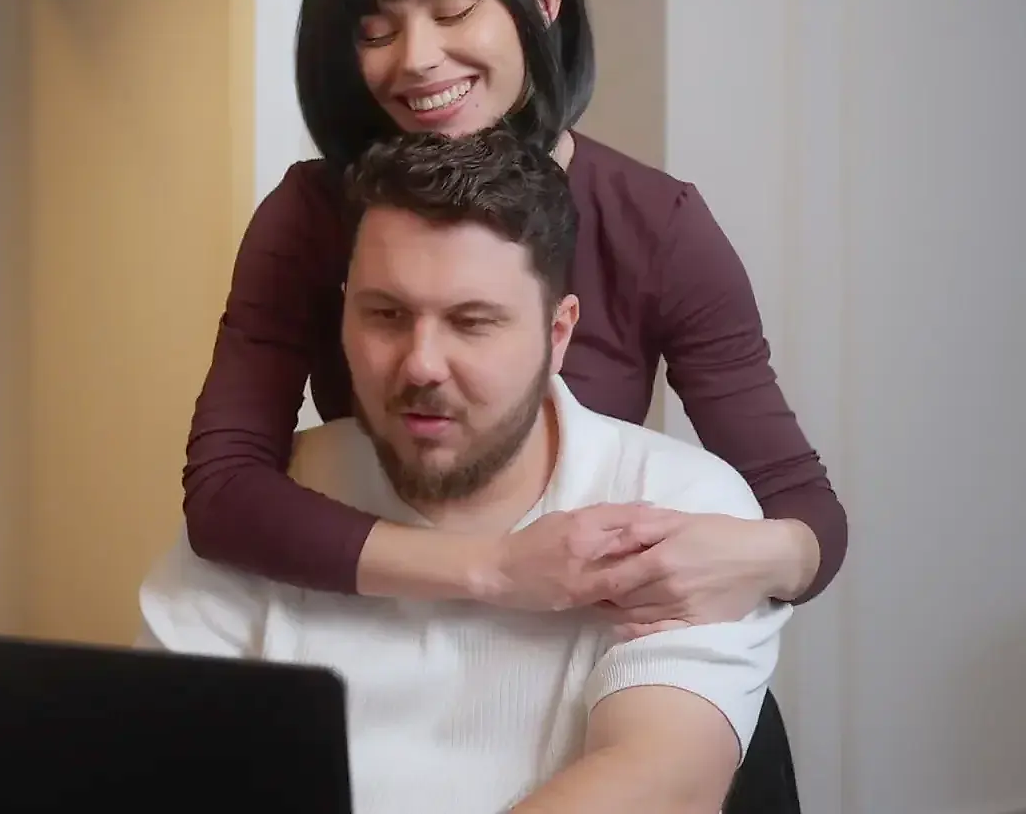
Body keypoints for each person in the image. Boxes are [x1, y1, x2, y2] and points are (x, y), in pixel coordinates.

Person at [181, 0, 842, 805]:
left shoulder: (658, 227)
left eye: (453, 13)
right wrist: (492, 571)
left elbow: (803, 507)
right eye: (377, 31)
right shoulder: (307, 220)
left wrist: (758, 554)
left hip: (591, 681)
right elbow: (224, 494)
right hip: (402, 654)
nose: (416, 59)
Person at [143, 129, 790, 813]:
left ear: (558, 333)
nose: (421, 364)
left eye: (472, 322)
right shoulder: (268, 507)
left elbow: (661, 780)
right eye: (386, 315)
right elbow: (157, 764)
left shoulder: (675, 505)